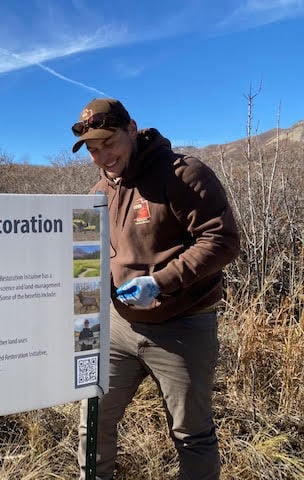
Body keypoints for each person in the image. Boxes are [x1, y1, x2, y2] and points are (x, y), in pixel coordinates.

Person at [71, 98, 240, 480]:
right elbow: (86, 258)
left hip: (182, 328)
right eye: (93, 150)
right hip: (117, 328)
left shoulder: (183, 174)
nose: (102, 156)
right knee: (93, 422)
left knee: (191, 435)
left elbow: (223, 240)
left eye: (109, 143)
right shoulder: (98, 191)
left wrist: (160, 281)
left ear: (132, 129)